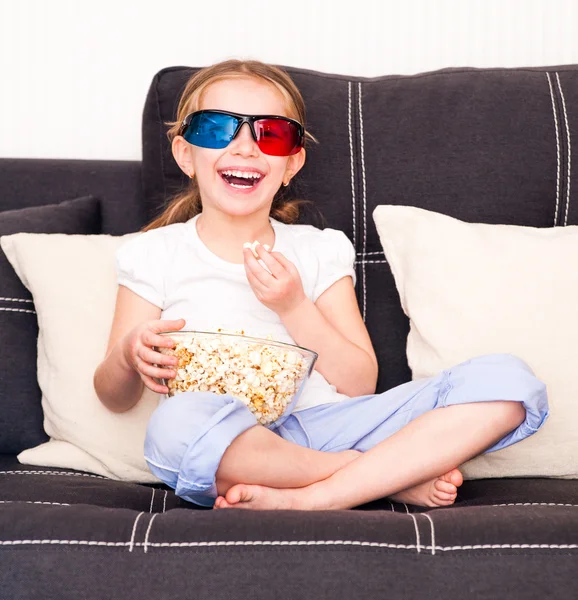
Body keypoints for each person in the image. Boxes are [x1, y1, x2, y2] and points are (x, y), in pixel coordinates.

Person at [93, 59, 549, 511]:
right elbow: (114, 397)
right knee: (174, 429)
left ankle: (319, 494)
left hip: (325, 421)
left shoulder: (318, 250)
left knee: (509, 383)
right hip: (223, 434)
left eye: (270, 134)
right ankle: (376, 476)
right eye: (217, 129)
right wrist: (131, 352)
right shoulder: (154, 253)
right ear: (185, 155)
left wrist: (294, 307)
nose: (246, 148)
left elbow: (359, 385)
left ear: (291, 164)